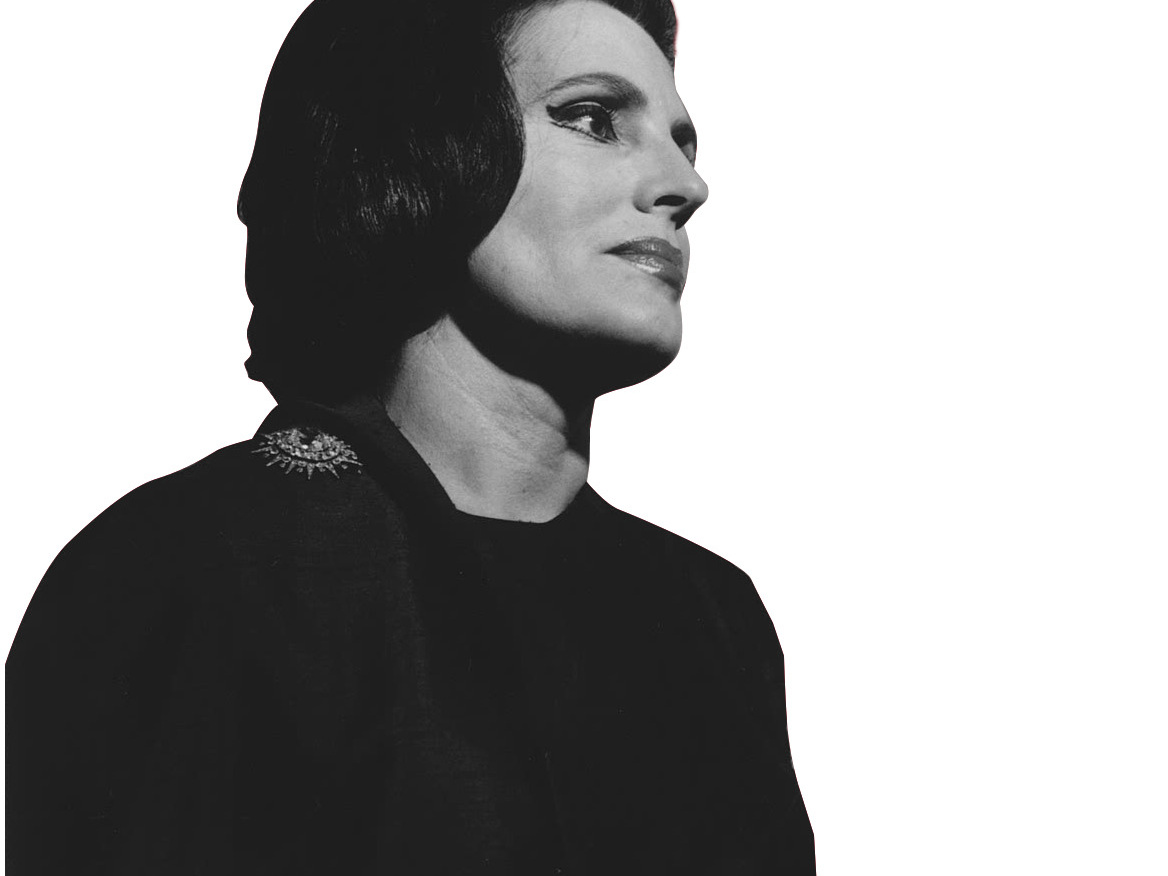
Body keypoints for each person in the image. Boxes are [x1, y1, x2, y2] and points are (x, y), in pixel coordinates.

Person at [7, 0, 815, 871]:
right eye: (592, 117)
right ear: (422, 143)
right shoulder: (195, 566)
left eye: (684, 143)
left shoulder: (713, 616)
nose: (685, 186)